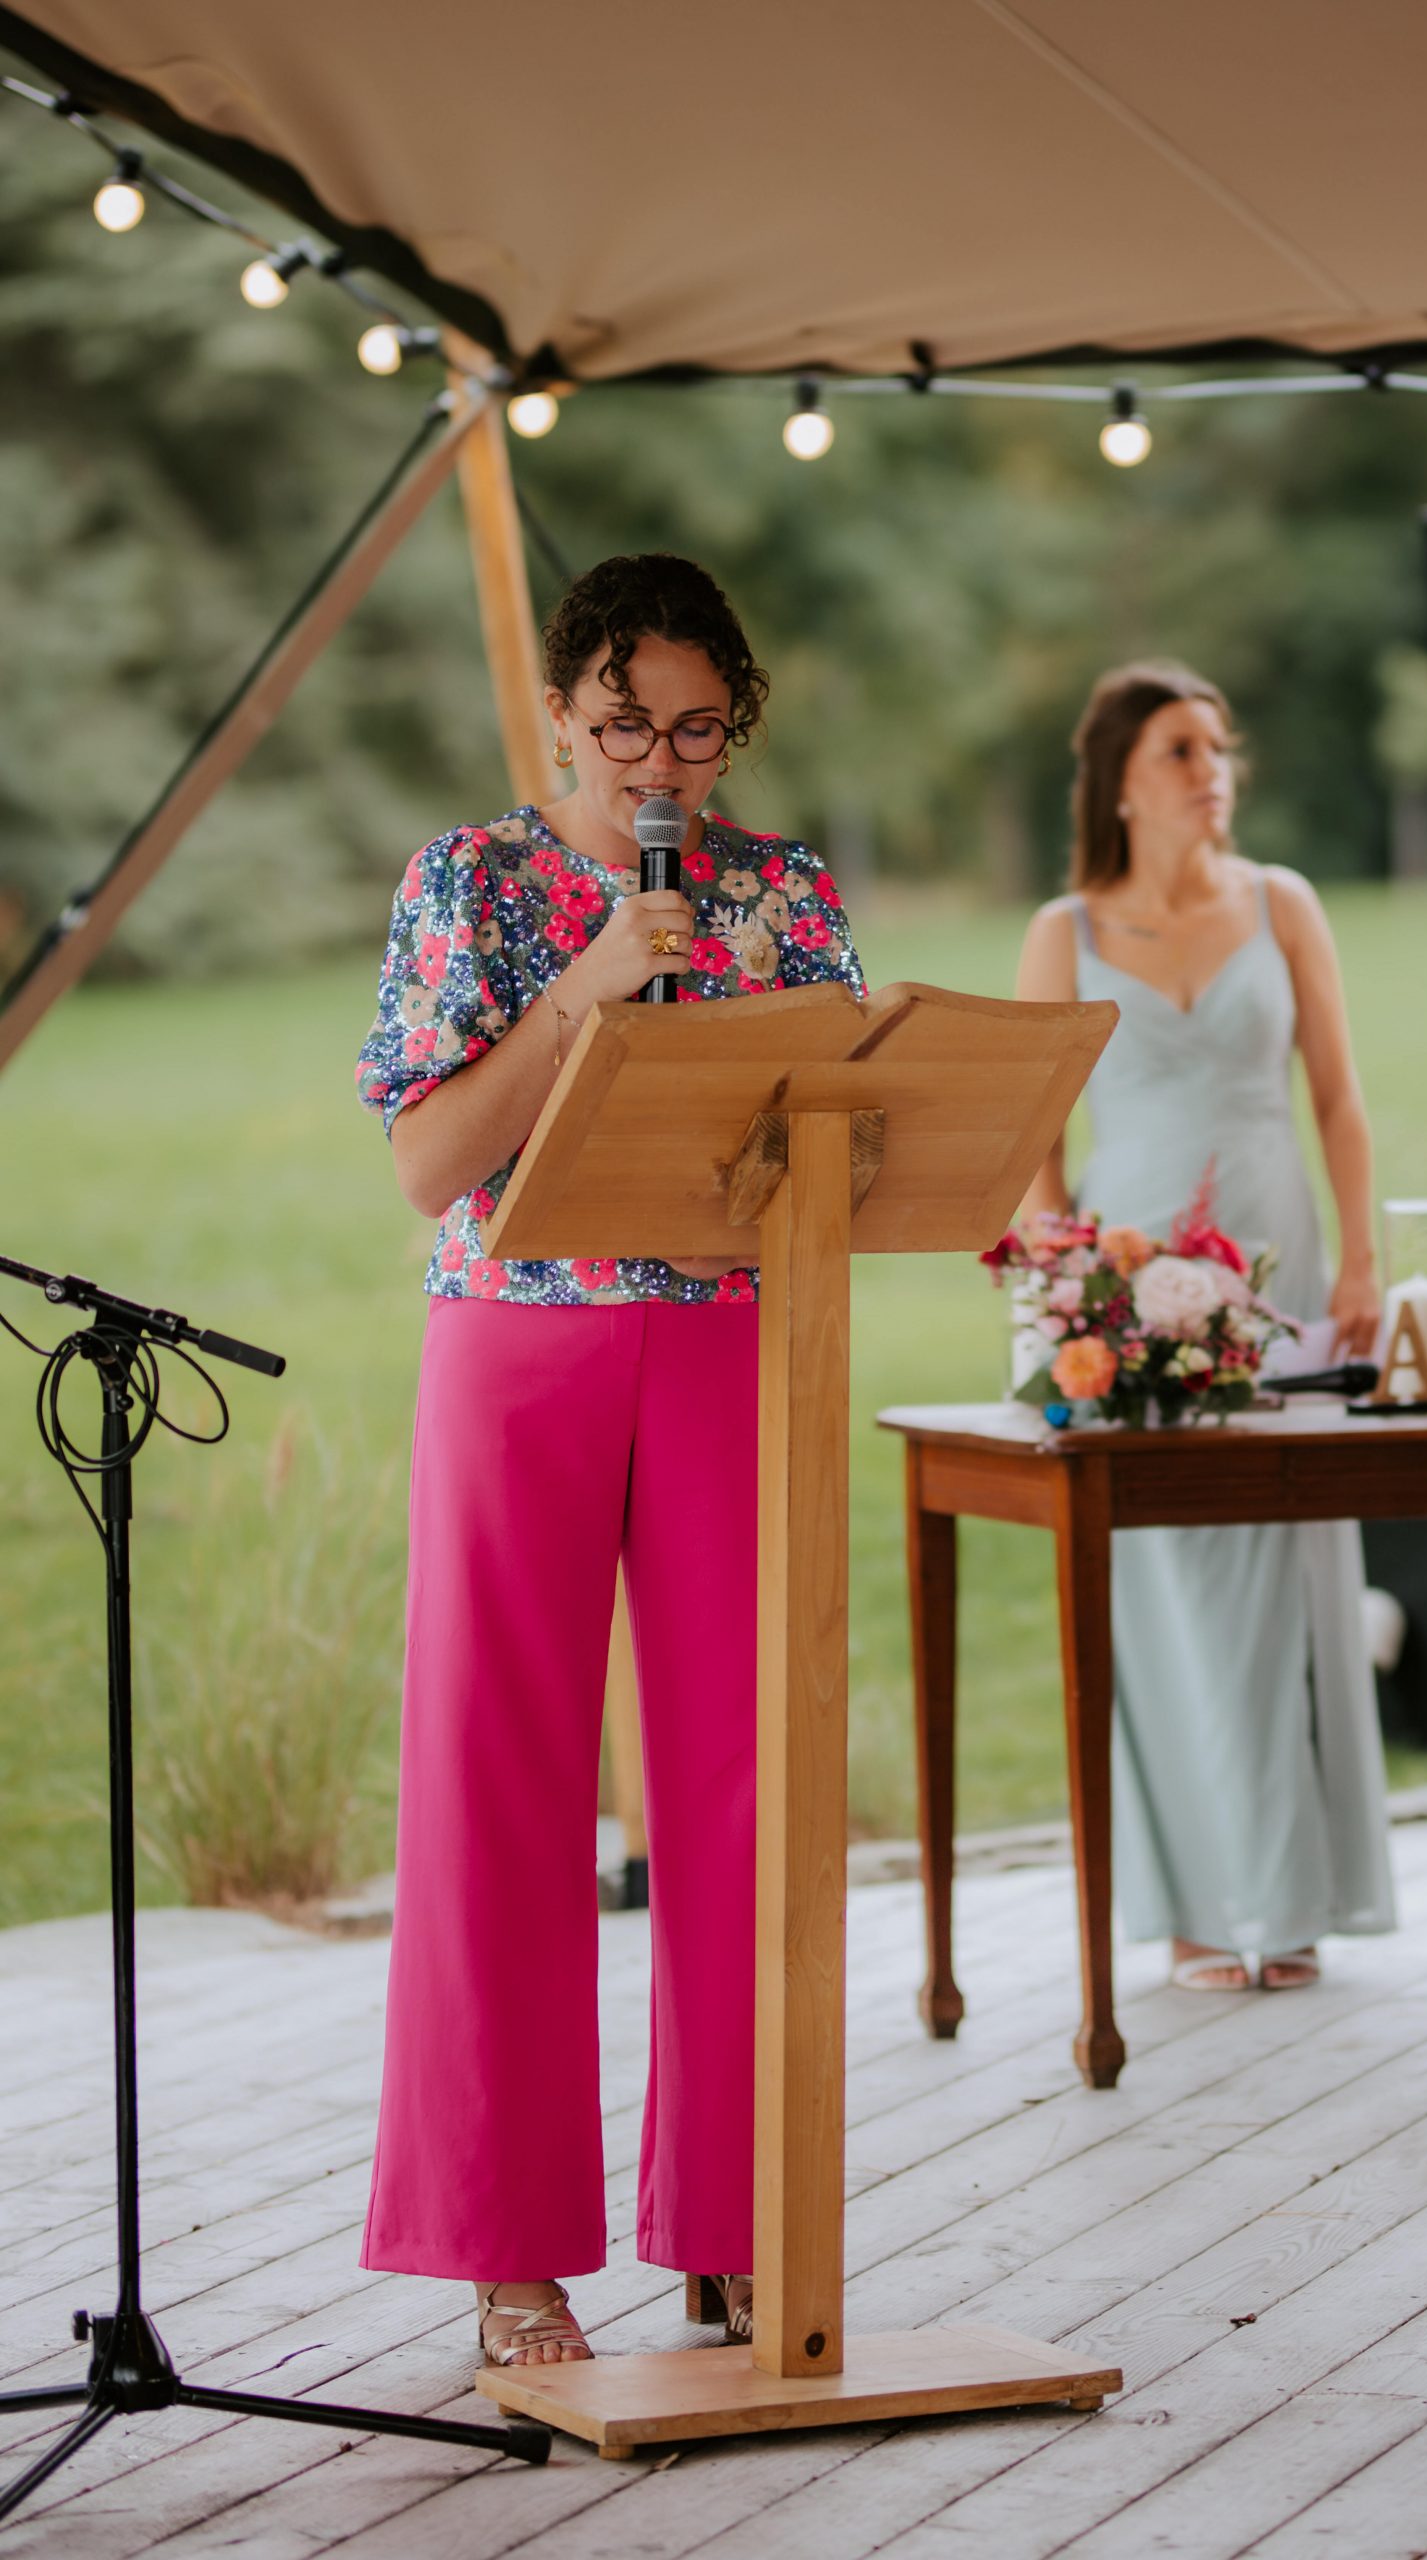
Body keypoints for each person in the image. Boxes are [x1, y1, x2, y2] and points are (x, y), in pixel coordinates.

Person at [353, 553, 864, 2369]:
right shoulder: (472, 883)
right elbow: (434, 1167)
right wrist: (587, 981)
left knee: (746, 1782)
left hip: (732, 1342)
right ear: (563, 713)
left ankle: (738, 2226)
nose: (661, 764)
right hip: (521, 1343)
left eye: (698, 731)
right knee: (499, 1778)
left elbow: (848, 1132)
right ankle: (509, 2256)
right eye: (627, 725)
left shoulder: (785, 893)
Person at [1012, 660, 1396, 1990]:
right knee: (1162, 1587)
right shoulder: (1062, 932)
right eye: (1180, 749)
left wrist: (1361, 1259)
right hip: (1122, 1282)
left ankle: (1289, 1898)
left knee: (1286, 1567)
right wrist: (1065, 1282)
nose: (1210, 771)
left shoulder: (1283, 903)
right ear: (1120, 780)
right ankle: (1189, 1907)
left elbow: (1338, 1096)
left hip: (1279, 1267)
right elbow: (1035, 1142)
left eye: (1219, 748)